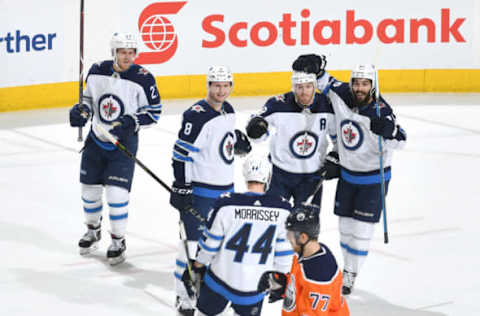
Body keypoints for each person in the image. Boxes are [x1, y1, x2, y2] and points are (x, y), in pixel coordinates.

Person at [292, 55, 407, 294]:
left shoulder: (381, 110)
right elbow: (324, 81)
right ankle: (348, 267)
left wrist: (390, 130)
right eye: (356, 82)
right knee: (345, 228)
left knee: (362, 230)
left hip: (374, 179)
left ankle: (351, 272)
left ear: (372, 85)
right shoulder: (342, 92)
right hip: (348, 176)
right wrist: (314, 67)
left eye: (365, 84)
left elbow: (401, 139)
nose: (359, 88)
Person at [68, 32, 162, 265]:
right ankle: (93, 230)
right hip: (96, 141)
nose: (127, 57)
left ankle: (118, 240)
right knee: (89, 192)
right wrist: (81, 112)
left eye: (131, 53)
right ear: (114, 53)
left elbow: (154, 112)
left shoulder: (143, 78)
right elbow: (87, 100)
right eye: (123, 52)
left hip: (123, 144)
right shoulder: (97, 70)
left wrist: (131, 122)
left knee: (116, 194)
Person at [170, 65, 251, 315]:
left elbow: (222, 143)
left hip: (226, 193)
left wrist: (236, 142)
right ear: (208, 86)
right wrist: (182, 186)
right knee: (193, 246)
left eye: (226, 85)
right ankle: (183, 297)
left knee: (216, 247)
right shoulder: (196, 115)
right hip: (201, 193)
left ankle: (206, 291)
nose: (221, 90)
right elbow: (180, 154)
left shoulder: (228, 110)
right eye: (217, 85)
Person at [181, 154, 294, 316]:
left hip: (219, 281)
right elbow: (284, 253)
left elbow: (210, 244)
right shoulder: (283, 209)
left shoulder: (225, 204)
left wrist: (197, 266)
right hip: (255, 286)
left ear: (245, 175)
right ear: (268, 177)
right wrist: (280, 278)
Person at [245, 70, 337, 210]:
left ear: (314, 86)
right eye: (299, 87)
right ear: (294, 87)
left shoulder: (327, 105)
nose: (304, 92)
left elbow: (339, 138)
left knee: (306, 227)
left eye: (308, 86)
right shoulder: (278, 104)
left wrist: (335, 156)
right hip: (280, 175)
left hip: (312, 177)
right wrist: (255, 129)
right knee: (274, 221)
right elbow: (257, 128)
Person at [258, 204, 349, 315]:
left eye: (290, 234)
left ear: (303, 237)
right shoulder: (307, 252)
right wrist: (282, 283)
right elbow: (301, 287)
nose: (288, 238)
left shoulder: (319, 277)